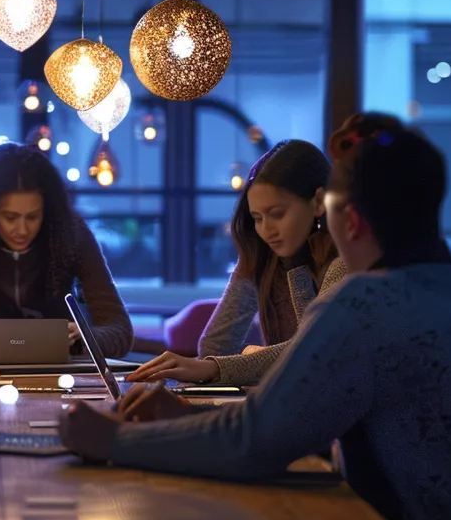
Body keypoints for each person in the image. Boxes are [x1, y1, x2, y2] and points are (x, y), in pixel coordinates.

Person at [61, 115, 451, 520]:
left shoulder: (366, 304)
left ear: (347, 218)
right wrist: (179, 421)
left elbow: (254, 441)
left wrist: (114, 438)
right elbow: (281, 425)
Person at [127, 139, 349, 385]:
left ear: (318, 203)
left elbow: (312, 351)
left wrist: (217, 367)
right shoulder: (265, 256)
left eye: (277, 214)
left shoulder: (347, 263)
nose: (266, 230)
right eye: (257, 218)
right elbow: (215, 345)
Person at [0, 143, 132, 359]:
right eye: (10, 218)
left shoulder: (70, 234)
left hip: (62, 374)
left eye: (32, 217)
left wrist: (89, 338)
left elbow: (120, 330)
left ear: (47, 213)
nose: (21, 230)